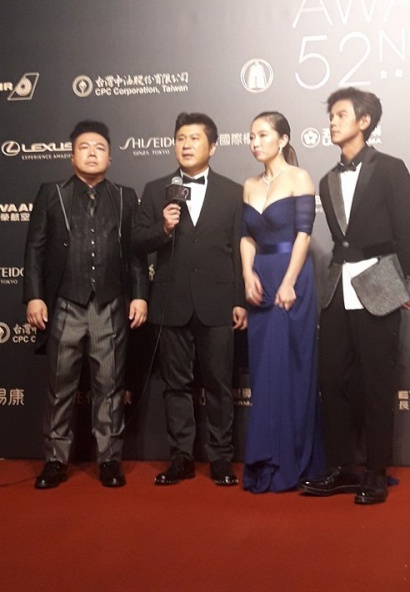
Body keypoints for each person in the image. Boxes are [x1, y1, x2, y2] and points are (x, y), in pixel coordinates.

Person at [299, 87, 410, 504]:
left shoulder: (391, 168)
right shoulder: (327, 179)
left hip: (379, 284)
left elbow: (407, 229)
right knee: (331, 380)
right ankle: (340, 467)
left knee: (376, 383)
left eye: (340, 115)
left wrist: (398, 283)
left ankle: (376, 472)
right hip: (337, 287)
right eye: (330, 116)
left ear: (364, 121)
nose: (332, 122)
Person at [24, 120, 148, 489]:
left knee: (110, 385)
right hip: (65, 304)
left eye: (99, 148)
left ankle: (109, 460)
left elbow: (136, 254)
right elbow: (35, 249)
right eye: (84, 147)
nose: (92, 154)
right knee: (59, 385)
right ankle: (54, 461)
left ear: (110, 158)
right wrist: (34, 295)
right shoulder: (52, 194)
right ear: (72, 155)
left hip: (110, 306)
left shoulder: (125, 197)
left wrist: (140, 294)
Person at [133, 112, 246, 486]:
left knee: (219, 385)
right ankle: (181, 456)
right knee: (176, 385)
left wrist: (239, 300)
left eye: (194, 138)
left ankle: (220, 458)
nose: (186, 145)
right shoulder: (156, 190)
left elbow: (240, 249)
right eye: (180, 138)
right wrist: (164, 228)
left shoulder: (233, 192)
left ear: (212, 146)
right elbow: (137, 241)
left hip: (218, 302)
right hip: (172, 302)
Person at [240, 111, 325, 493]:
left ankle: (292, 459)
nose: (255, 142)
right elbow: (246, 237)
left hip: (292, 279)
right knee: (264, 372)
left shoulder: (299, 178)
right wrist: (247, 274)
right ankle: (265, 459)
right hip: (260, 281)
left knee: (291, 370)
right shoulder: (249, 185)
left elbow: (304, 234)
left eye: (263, 135)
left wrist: (289, 282)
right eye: (251, 136)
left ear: (283, 139)